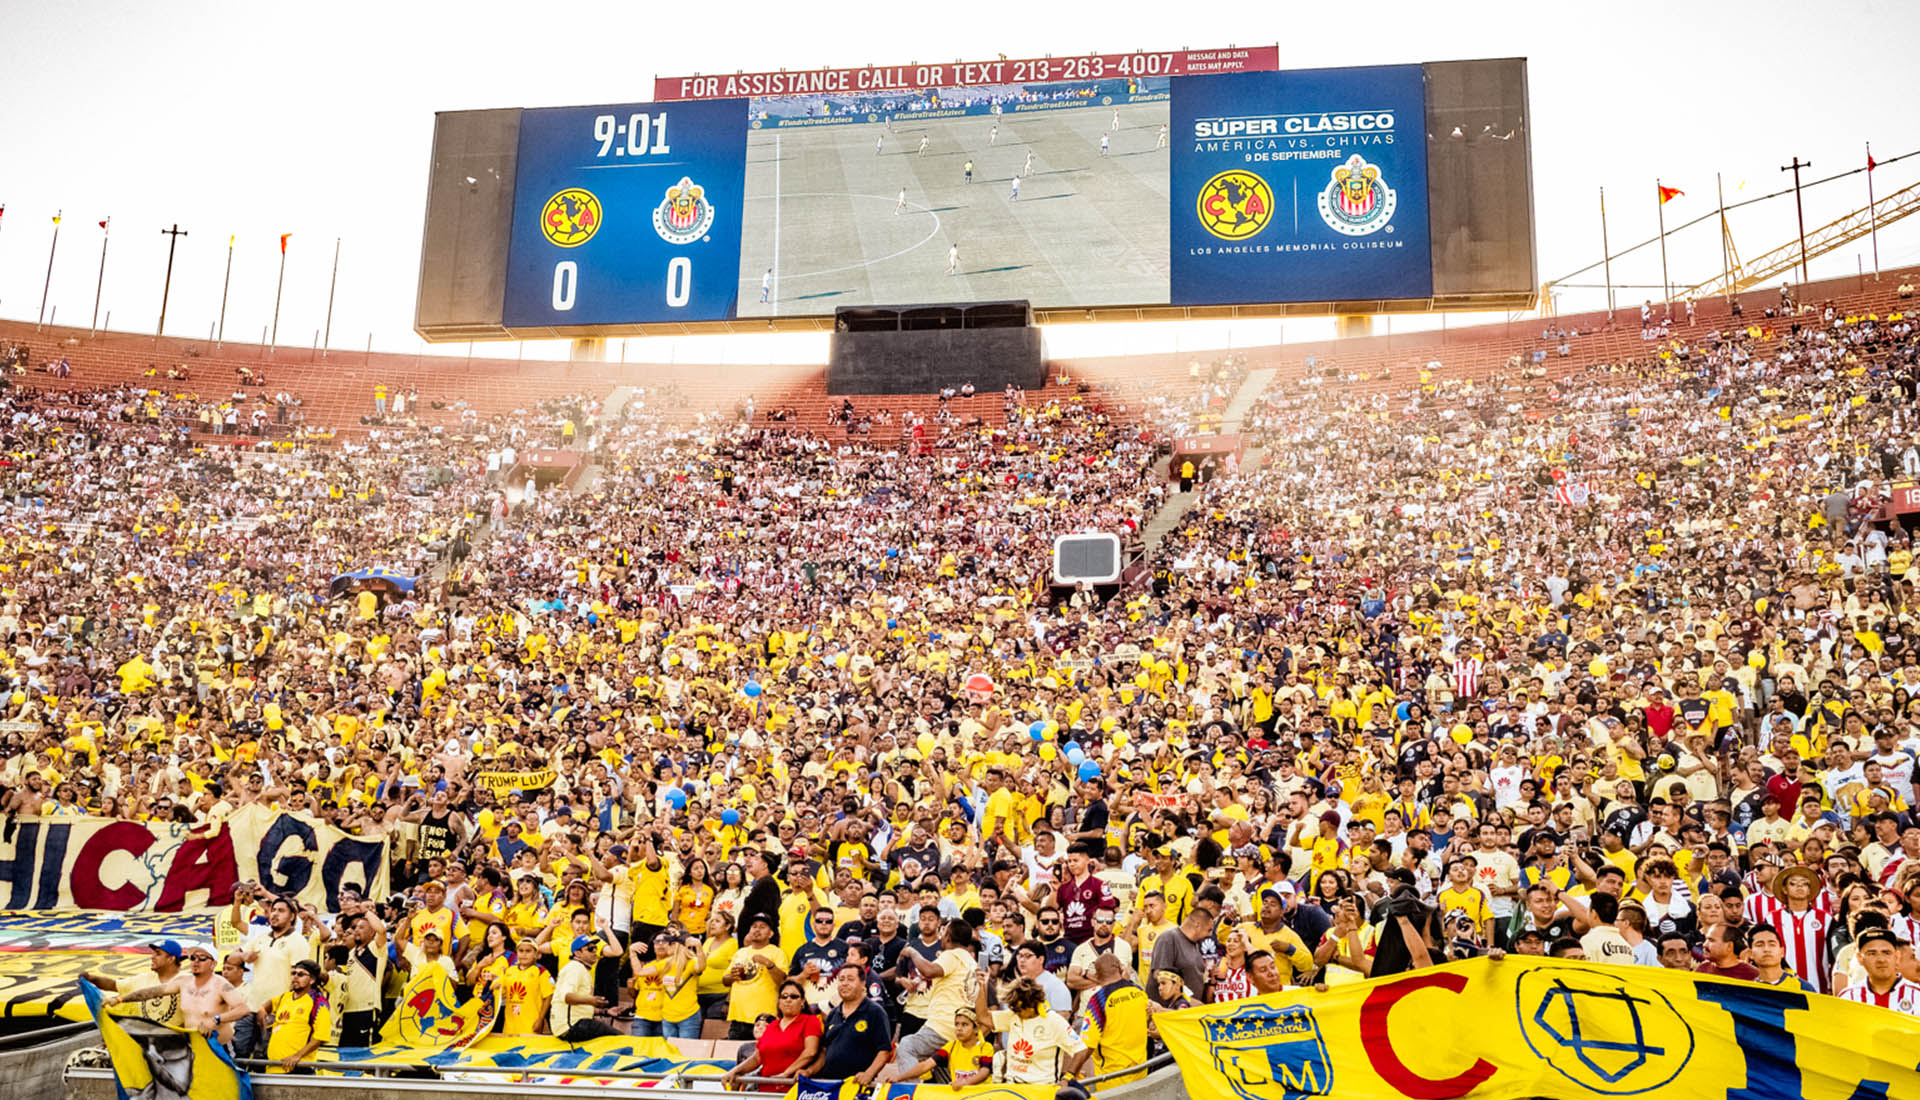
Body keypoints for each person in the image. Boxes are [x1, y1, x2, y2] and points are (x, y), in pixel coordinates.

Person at [723, 979, 821, 1089]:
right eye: (784, 996)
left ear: (802, 1001)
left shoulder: (810, 1021)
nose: (788, 1000)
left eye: (794, 996)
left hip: (795, 1088)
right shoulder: (772, 1026)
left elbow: (810, 1052)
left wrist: (785, 1074)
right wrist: (735, 1071)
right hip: (767, 1088)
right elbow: (757, 1058)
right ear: (778, 1002)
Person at [989, 976, 1088, 1085]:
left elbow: (1081, 1051)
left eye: (1016, 1008)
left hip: (1042, 1088)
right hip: (1012, 1087)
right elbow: (983, 1018)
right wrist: (982, 985)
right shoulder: (1014, 1016)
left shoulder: (1054, 1021)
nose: (1014, 1011)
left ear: (1030, 1006)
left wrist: (1068, 1077)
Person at [815, 964, 892, 1084]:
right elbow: (824, 1052)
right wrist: (808, 1071)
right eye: (841, 979)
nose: (844, 983)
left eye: (850, 979)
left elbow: (884, 1051)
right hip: (830, 1086)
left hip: (858, 1087)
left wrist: (869, 1073)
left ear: (863, 983)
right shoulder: (833, 1014)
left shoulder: (875, 1012)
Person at [1079, 954, 1150, 1082]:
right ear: (1120, 970)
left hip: (1112, 1077)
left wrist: (1070, 1073)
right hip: (1140, 1072)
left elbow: (1087, 1044)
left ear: (1097, 975)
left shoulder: (1098, 1001)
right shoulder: (1140, 992)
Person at [262, 961, 331, 1074]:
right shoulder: (285, 997)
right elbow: (271, 1003)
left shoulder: (318, 1002)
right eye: (293, 973)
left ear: (312, 980)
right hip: (274, 1067)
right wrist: (262, 1010)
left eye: (300, 974)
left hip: (298, 1069)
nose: (295, 977)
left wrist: (296, 1056)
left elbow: (320, 1037)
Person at [1837, 928, 1920, 1015]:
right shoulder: (1848, 997)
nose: (1881, 959)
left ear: (1897, 957)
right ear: (1860, 958)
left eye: (1886, 953)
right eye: (1872, 953)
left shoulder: (1917, 995)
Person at [550, 935, 615, 1040]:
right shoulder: (575, 968)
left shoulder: (582, 970)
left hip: (574, 1023)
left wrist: (605, 1012)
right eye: (590, 949)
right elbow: (567, 997)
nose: (595, 951)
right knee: (618, 1038)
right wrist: (592, 1000)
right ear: (577, 953)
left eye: (595, 948)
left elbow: (579, 1006)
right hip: (572, 1025)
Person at [499, 938, 556, 1036]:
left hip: (531, 1024)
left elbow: (548, 996)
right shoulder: (509, 971)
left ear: (536, 954)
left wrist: (541, 1019)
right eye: (521, 951)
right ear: (516, 953)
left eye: (528, 951)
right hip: (510, 1025)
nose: (524, 954)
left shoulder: (541, 972)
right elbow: (501, 992)